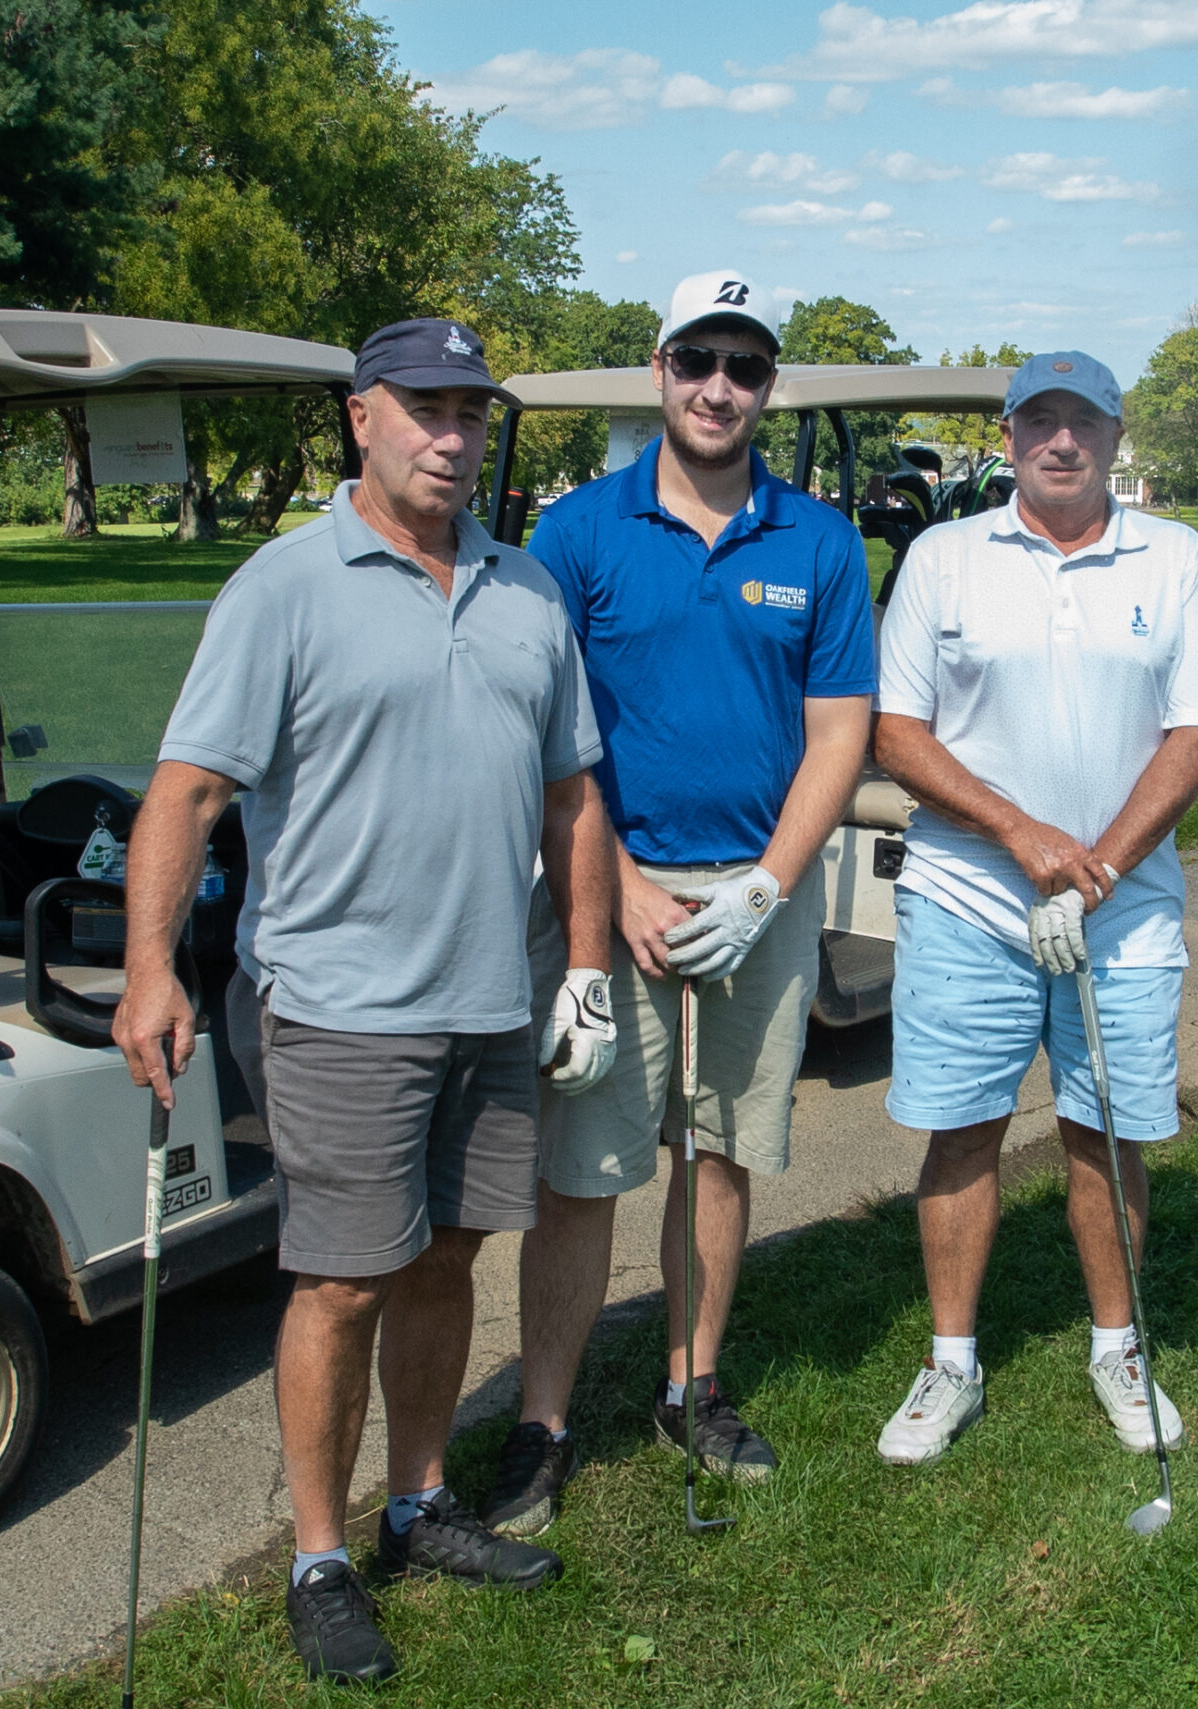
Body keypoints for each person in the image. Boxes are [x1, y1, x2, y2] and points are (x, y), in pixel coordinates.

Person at [114, 318, 620, 1685]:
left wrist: (583, 961)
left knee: (451, 1256)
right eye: (427, 409)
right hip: (340, 1004)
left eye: (471, 413)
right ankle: (320, 1557)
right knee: (341, 1280)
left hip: (491, 999)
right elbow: (189, 790)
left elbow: (573, 795)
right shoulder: (284, 587)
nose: (452, 437)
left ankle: (418, 1502)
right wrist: (152, 969)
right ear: (363, 416)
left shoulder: (527, 593)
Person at [488, 268, 875, 1535]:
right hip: (611, 890)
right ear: (658, 370)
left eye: (746, 367)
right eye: (698, 361)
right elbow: (549, 736)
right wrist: (623, 889)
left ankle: (688, 1386)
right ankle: (544, 1422)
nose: (720, 387)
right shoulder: (579, 534)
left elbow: (838, 734)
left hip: (755, 893)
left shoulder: (814, 538)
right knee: (580, 1171)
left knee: (720, 1153)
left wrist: (771, 884)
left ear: (768, 387)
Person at [867, 351, 1198, 1467]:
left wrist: (1099, 866)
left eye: (1082, 422)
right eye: (1038, 423)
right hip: (966, 894)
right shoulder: (944, 554)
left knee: (1106, 1131)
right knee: (962, 1125)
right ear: (1011, 438)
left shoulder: (1173, 557)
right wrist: (1021, 836)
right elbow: (897, 730)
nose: (1060, 441)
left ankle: (1117, 1346)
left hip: (1120, 908)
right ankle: (951, 1359)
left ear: (1117, 437)